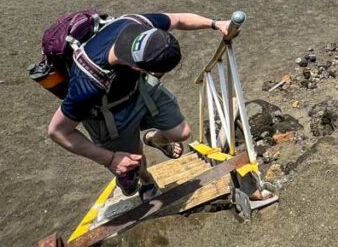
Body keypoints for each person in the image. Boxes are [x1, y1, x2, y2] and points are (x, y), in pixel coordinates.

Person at [47, 12, 231, 201]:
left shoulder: (139, 23)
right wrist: (110, 159)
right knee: (133, 162)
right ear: (138, 68)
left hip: (139, 89)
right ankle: (146, 181)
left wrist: (216, 23)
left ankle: (156, 140)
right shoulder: (87, 84)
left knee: (182, 133)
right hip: (108, 113)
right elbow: (57, 131)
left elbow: (178, 19)